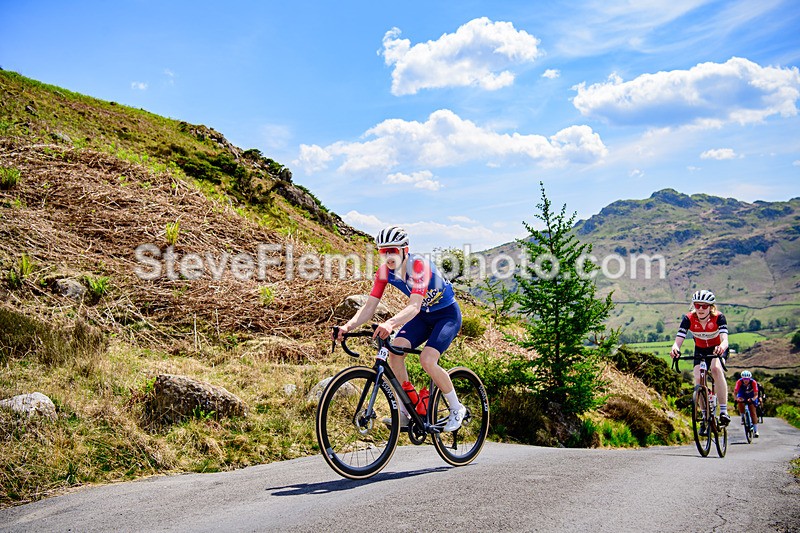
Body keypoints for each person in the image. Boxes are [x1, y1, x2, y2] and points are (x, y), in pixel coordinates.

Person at [335, 226, 466, 432]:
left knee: (427, 359)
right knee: (395, 351)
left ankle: (457, 408)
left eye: (393, 251)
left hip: (446, 316)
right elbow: (369, 307)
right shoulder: (384, 272)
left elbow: (414, 306)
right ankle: (406, 410)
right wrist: (347, 326)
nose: (388, 256)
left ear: (405, 250)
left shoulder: (419, 266)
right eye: (383, 251)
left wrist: (390, 323)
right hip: (423, 317)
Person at [670, 290, 731, 436]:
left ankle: (723, 411)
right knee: (698, 378)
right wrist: (675, 348)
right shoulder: (688, 318)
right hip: (700, 350)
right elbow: (678, 340)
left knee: (716, 369)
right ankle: (704, 416)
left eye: (705, 306)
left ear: (711, 307)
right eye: (698, 305)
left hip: (717, 349)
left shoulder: (719, 317)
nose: (701, 309)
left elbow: (725, 340)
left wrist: (721, 347)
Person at [734, 370, 760, 437]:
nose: (746, 381)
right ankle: (743, 416)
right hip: (742, 394)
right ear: (742, 378)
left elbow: (756, 394)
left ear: (750, 379)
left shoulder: (753, 382)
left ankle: (756, 430)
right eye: (744, 379)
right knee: (740, 402)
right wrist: (736, 399)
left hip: (752, 395)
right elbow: (735, 393)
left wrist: (752, 399)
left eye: (747, 379)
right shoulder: (739, 382)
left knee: (753, 412)